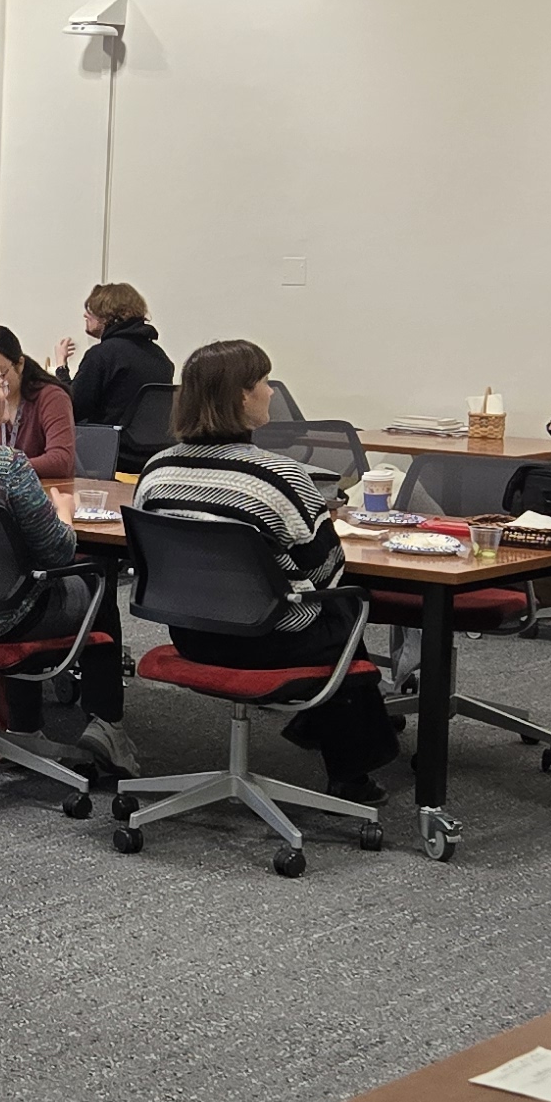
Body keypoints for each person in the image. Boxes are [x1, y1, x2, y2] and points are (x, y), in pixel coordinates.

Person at [134, 340, 400, 799]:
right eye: (263, 382)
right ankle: (351, 770)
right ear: (241, 395)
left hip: (192, 633)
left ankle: (325, 733)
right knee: (345, 612)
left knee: (331, 618)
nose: (271, 393)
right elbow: (327, 574)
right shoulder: (280, 477)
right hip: (269, 642)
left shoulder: (156, 471)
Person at [0, 349, 130, 767]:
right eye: (0, 386)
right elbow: (58, 551)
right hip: (11, 617)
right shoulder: (10, 468)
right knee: (97, 579)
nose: (6, 392)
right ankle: (107, 725)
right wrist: (64, 515)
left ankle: (25, 725)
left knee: (22, 579)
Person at [59, 284, 173, 451]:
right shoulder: (161, 357)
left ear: (106, 316)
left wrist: (61, 368)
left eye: (91, 310)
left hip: (110, 454)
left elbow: (71, 409)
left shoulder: (102, 355)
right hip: (152, 455)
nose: (85, 314)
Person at [0, 327, 75, 480]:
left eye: (1, 373)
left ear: (19, 365)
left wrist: (0, 466)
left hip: (40, 492)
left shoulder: (51, 397)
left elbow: (61, 461)